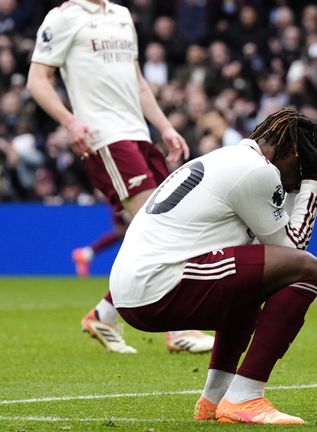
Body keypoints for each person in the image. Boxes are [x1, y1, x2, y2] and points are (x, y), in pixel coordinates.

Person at [110, 108, 317, 424]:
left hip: (135, 289)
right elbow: (293, 251)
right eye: (303, 165)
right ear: (293, 152)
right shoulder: (257, 171)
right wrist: (314, 181)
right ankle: (245, 396)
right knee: (307, 269)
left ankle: (214, 400)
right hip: (159, 286)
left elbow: (269, 253)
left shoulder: (229, 159)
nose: (296, 182)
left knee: (253, 282)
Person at [27, 0, 213, 354]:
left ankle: (103, 315)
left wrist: (165, 126)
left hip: (139, 135)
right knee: (164, 227)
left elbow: (138, 82)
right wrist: (69, 121)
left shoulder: (122, 15)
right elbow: (37, 80)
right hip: (105, 137)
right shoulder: (65, 17)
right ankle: (178, 328)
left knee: (167, 226)